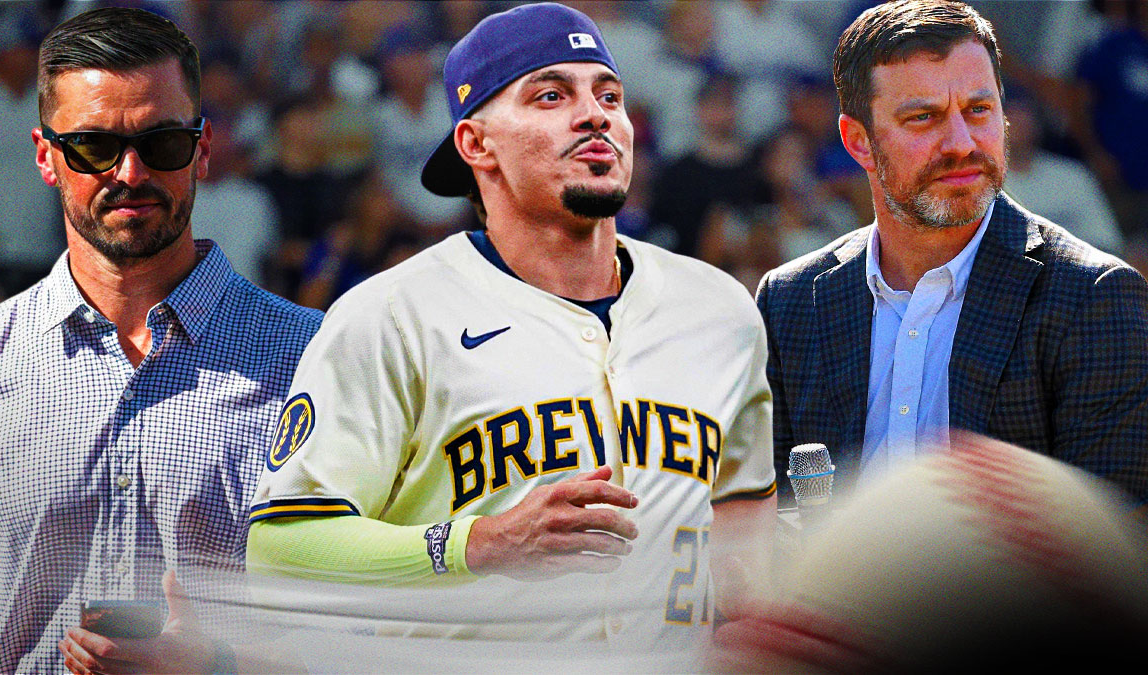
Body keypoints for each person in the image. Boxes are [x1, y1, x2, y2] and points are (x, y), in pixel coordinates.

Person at [247, 0, 775, 657]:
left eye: (608, 94)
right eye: (551, 95)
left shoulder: (720, 309)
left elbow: (742, 500)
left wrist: (750, 605)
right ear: (476, 143)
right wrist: (482, 542)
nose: (595, 114)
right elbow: (280, 546)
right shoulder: (390, 315)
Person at [0, 8, 322, 673]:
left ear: (202, 151)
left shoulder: (315, 360)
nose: (129, 172)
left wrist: (216, 665)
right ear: (46, 156)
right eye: (92, 145)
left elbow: (372, 627)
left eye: (162, 143)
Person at [755, 0, 1148, 507]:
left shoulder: (1093, 298)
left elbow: (1114, 549)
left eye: (979, 110)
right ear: (859, 141)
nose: (962, 143)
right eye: (924, 117)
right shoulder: (790, 301)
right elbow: (774, 514)